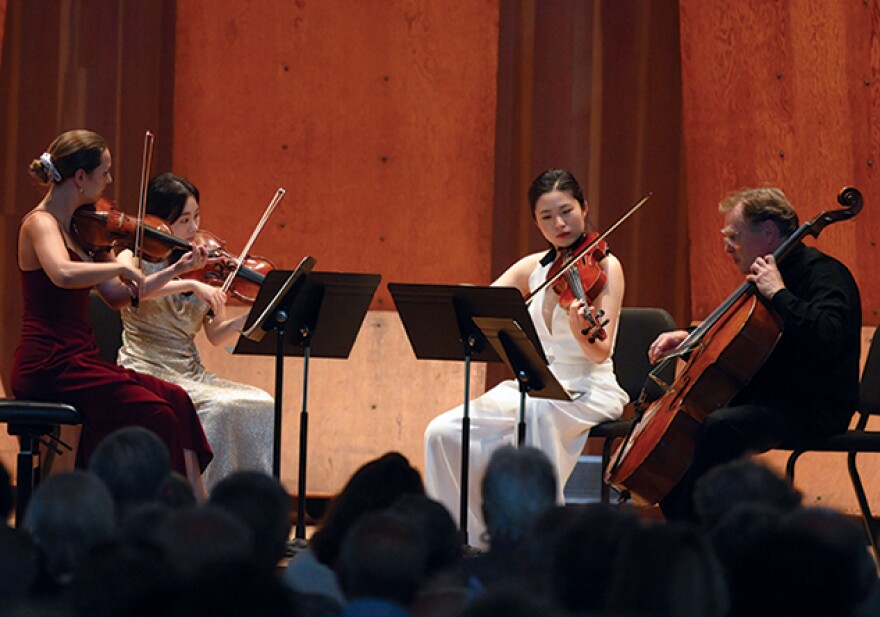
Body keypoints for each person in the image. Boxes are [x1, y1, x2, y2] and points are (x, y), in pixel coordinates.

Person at [424, 168, 628, 544]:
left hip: (589, 386)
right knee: (443, 432)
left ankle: (542, 540)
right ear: (536, 222)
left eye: (566, 211)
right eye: (546, 217)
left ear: (584, 207)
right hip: (536, 381)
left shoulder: (606, 267)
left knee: (537, 411)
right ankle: (463, 538)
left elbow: (600, 353)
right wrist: (464, 298)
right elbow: (478, 303)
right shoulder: (532, 268)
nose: (559, 223)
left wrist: (582, 328)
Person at [11, 130, 213, 491]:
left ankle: (194, 511)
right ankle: (153, 518)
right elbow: (62, 273)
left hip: (80, 360)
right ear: (79, 178)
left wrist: (176, 269)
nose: (110, 180)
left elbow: (120, 296)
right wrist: (118, 266)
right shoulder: (40, 223)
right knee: (155, 412)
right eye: (104, 172)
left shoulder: (88, 226)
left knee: (177, 401)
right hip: (49, 363)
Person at [647, 186, 862, 521]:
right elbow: (741, 342)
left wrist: (779, 293)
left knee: (720, 426)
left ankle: (696, 536)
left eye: (733, 235)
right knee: (694, 424)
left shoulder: (824, 274)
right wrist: (689, 339)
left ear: (767, 232)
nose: (726, 246)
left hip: (814, 405)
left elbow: (827, 335)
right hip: (772, 398)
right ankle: (692, 532)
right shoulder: (763, 276)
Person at [115, 172, 274, 488]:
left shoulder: (206, 266)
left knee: (261, 402)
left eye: (196, 217)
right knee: (220, 407)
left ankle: (246, 504)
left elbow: (215, 336)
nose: (193, 229)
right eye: (184, 220)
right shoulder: (130, 256)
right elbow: (131, 290)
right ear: (159, 221)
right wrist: (186, 278)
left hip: (191, 371)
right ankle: (203, 504)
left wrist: (248, 319)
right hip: (145, 367)